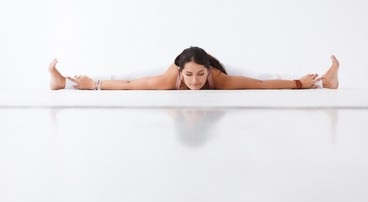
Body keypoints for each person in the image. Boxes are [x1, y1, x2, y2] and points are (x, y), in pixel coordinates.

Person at [49, 46, 339, 91]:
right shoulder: (169, 78)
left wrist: (300, 83)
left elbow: (260, 86)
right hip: (166, 70)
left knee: (262, 75)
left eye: (200, 74)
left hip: (223, 69)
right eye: (189, 74)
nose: (195, 81)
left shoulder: (217, 76)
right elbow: (127, 86)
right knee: (132, 75)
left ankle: (325, 82)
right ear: (180, 71)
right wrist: (92, 85)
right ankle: (67, 83)